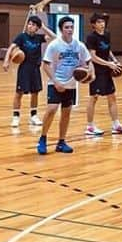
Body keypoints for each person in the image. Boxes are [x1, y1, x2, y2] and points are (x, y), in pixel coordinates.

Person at [38, 17, 90, 154]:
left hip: (71, 85)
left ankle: (61, 142)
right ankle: (43, 138)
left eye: (71, 27)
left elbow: (88, 62)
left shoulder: (79, 45)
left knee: (66, 113)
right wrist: (55, 81)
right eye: (67, 27)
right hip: (55, 83)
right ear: (61, 29)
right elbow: (45, 65)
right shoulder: (54, 45)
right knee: (51, 110)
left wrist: (91, 75)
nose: (70, 29)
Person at [3, 16, 53, 130]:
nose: (30, 26)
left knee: (35, 93)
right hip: (24, 68)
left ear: (37, 28)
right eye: (29, 24)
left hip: (35, 68)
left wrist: (44, 27)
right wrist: (6, 60)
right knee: (19, 93)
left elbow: (54, 37)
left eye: (34, 25)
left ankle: (34, 115)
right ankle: (16, 116)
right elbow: (11, 48)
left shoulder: (39, 38)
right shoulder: (22, 37)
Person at [85, 12, 122, 135]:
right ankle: (89, 127)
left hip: (106, 71)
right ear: (93, 25)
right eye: (99, 22)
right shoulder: (91, 37)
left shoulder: (107, 34)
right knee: (94, 97)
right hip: (96, 71)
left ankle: (116, 124)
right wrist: (108, 63)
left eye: (103, 22)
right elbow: (92, 56)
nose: (102, 24)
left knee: (112, 96)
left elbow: (108, 49)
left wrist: (114, 60)